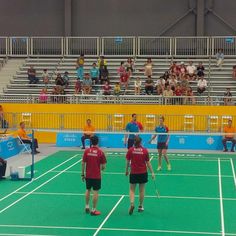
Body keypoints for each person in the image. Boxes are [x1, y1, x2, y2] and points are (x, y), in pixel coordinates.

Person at [125, 136, 155, 215]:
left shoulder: (130, 150)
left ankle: (132, 203)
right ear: (141, 142)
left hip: (133, 173)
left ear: (134, 142)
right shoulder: (145, 151)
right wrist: (152, 172)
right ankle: (140, 206)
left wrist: (126, 171)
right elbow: (148, 163)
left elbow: (128, 162)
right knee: (141, 190)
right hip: (143, 173)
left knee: (132, 190)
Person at [81, 136, 107, 216]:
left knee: (88, 190)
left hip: (88, 175)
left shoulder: (86, 151)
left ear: (91, 142)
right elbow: (103, 167)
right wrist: (101, 168)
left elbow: (83, 163)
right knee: (95, 192)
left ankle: (86, 206)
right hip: (96, 176)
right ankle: (93, 210)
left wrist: (82, 174)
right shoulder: (100, 152)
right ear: (98, 142)